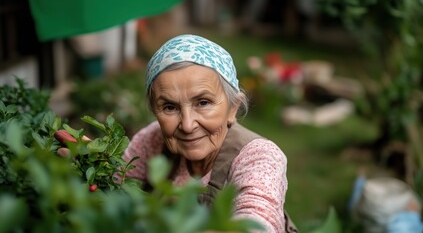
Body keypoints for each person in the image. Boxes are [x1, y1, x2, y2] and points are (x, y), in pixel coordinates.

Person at [56, 34, 294, 232]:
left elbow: (258, 223)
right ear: (155, 111)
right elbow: (119, 194)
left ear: (232, 108)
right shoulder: (152, 139)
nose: (188, 125)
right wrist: (96, 172)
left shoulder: (259, 157)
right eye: (170, 107)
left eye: (203, 102)